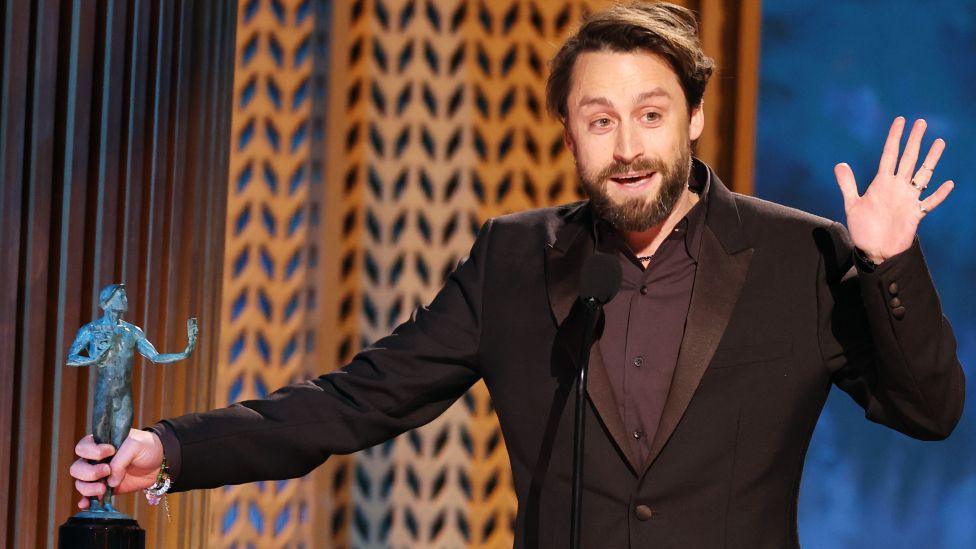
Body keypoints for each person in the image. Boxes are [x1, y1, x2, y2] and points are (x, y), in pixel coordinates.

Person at [70, 2, 964, 547]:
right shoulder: (513, 259)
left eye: (650, 115)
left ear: (693, 118)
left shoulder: (793, 257)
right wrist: (172, 450)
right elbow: (357, 400)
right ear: (569, 134)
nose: (627, 148)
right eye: (598, 119)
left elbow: (929, 410)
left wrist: (888, 261)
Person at [67, 284, 198, 513]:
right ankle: (97, 501)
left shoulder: (132, 332)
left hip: (124, 396)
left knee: (118, 451)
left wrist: (185, 352)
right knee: (101, 448)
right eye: (120, 295)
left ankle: (106, 501)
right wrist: (93, 358)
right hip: (104, 395)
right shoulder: (91, 330)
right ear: (106, 302)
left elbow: (155, 356)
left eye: (125, 293)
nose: (126, 298)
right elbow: (71, 358)